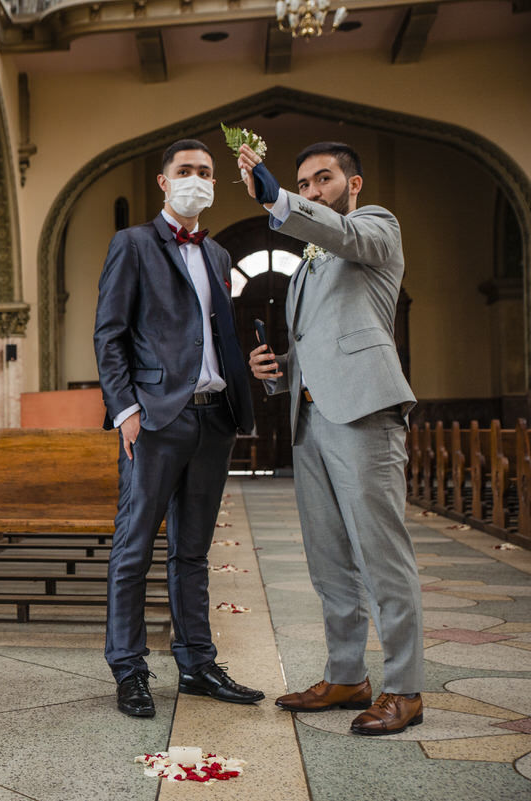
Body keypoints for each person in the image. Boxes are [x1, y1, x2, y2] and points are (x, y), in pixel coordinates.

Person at [238, 140, 424, 735]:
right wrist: (277, 369)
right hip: (310, 421)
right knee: (328, 560)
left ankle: (405, 687)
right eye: (305, 182)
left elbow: (347, 237)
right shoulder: (306, 270)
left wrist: (275, 195)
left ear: (353, 184)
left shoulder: (375, 229)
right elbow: (320, 347)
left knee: (381, 556)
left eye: (324, 179)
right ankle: (347, 675)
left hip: (364, 413)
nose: (314, 190)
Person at [94, 139, 262, 719]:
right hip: (156, 418)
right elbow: (109, 334)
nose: (197, 179)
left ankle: (197, 663)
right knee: (134, 547)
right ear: (163, 182)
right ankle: (130, 669)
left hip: (213, 418)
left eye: (206, 172)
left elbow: (216, 337)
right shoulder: (133, 244)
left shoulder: (217, 255)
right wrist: (126, 410)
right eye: (185, 171)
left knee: (192, 552)